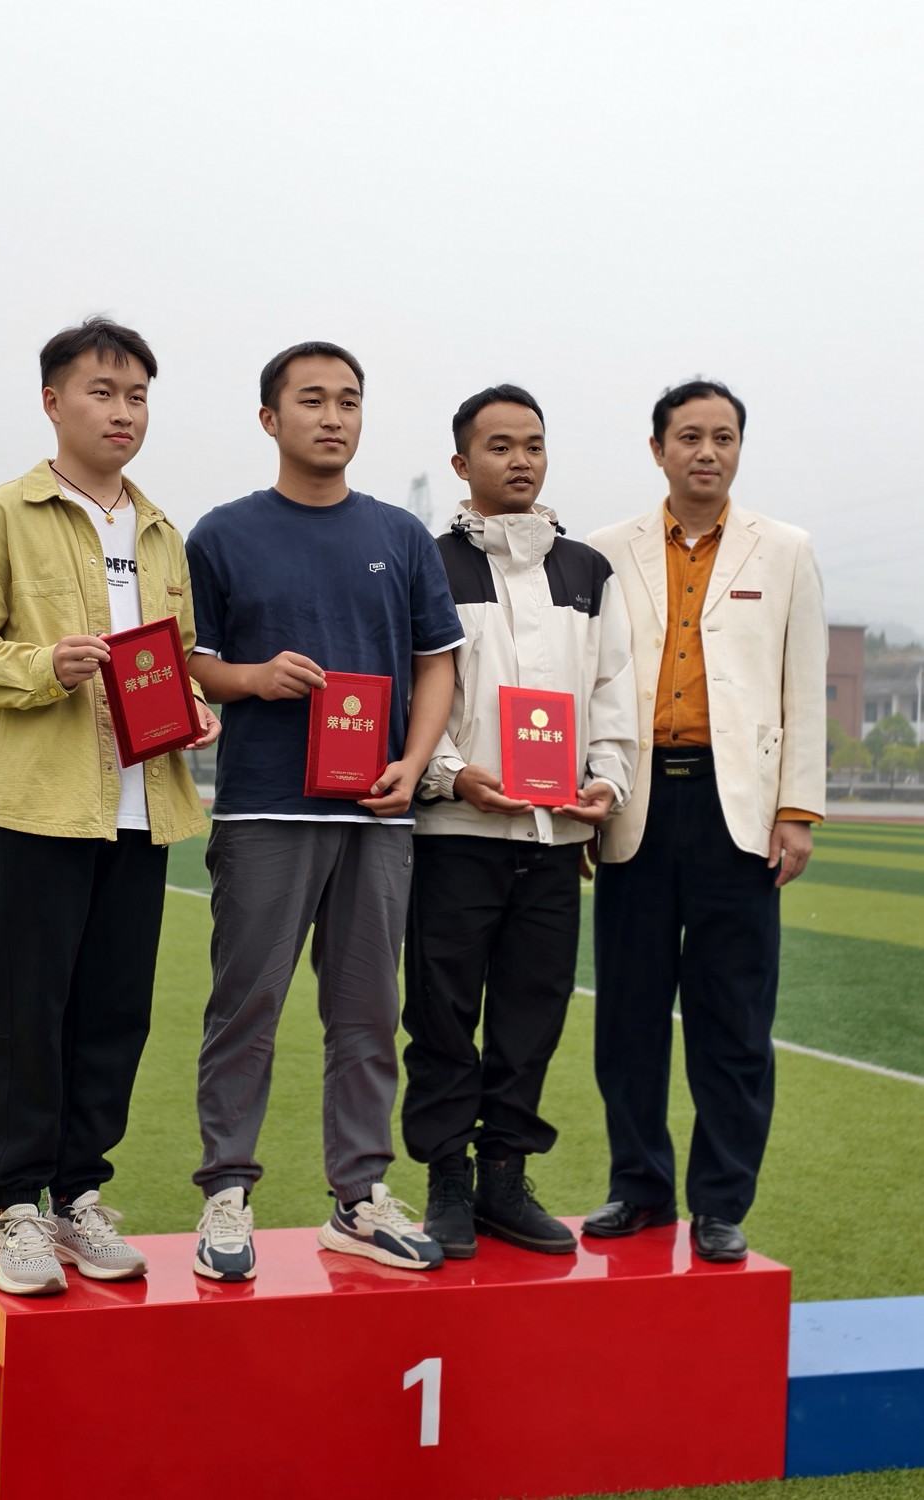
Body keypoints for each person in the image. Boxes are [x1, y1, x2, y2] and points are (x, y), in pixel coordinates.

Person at [0, 317, 219, 1295]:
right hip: (36, 809)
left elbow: (173, 660)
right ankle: (16, 1205)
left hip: (143, 810)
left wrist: (193, 713)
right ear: (53, 402)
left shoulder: (160, 530)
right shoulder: (0, 517)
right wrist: (45, 665)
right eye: (102, 391)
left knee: (113, 1016)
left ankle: (77, 1198)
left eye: (137, 395)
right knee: (27, 1014)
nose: (122, 411)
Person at [184, 340, 463, 1280]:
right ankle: (227, 1192)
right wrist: (253, 678)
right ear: (271, 418)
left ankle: (358, 1197)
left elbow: (435, 663)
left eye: (348, 399)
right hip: (265, 810)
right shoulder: (222, 534)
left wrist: (413, 763)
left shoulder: (399, 535)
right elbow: (193, 662)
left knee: (366, 1015)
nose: (332, 416)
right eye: (311, 399)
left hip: (376, 813)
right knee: (246, 1007)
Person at [583, 379, 826, 1262]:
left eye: (723, 437)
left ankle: (720, 1203)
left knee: (733, 1022)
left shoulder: (785, 549)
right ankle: (638, 1189)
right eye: (688, 436)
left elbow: (803, 683)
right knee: (629, 1016)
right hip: (636, 803)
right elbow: (587, 681)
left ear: (737, 449)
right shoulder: (603, 552)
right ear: (657, 450)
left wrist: (795, 810)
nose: (706, 452)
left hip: (739, 814)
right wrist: (587, 794)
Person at [403, 385, 637, 1258]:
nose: (519, 460)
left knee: (530, 1018)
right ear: (461, 463)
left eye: (532, 445)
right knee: (440, 1017)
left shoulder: (586, 571)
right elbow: (410, 691)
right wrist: (451, 775)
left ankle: (503, 1178)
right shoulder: (428, 563)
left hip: (553, 839)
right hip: (455, 836)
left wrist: (605, 781)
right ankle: (446, 1183)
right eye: (499, 446)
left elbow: (613, 692)